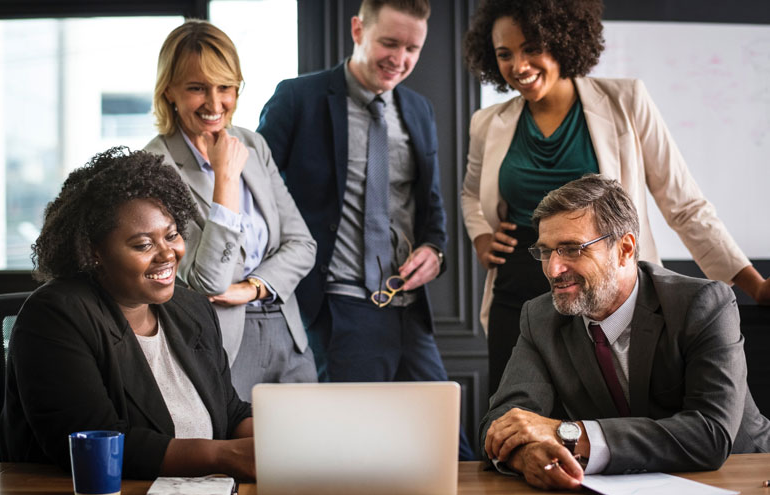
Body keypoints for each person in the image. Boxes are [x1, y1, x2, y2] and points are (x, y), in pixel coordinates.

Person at [460, 0, 770, 398]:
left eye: (532, 47)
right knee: (514, 413)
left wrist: (754, 285)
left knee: (607, 415)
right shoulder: (487, 123)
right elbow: (471, 193)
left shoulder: (626, 102)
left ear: (563, 40)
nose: (519, 65)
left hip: (604, 283)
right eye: (505, 54)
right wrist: (481, 236)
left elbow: (684, 204)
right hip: (518, 283)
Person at [259, 0, 473, 460]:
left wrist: (436, 250)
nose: (400, 59)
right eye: (389, 43)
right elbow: (257, 197)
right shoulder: (297, 99)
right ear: (358, 30)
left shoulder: (418, 109)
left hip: (409, 310)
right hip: (338, 309)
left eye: (412, 48)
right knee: (352, 452)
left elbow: (430, 203)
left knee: (450, 449)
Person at [481, 175, 770, 490]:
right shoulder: (540, 317)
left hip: (742, 481)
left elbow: (710, 433)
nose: (553, 270)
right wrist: (527, 454)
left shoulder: (702, 304)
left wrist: (570, 434)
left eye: (572, 249)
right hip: (619, 494)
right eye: (546, 252)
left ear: (625, 249)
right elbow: (504, 421)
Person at [0, 148, 255, 481]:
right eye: (142, 244)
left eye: (172, 235)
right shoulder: (55, 316)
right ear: (95, 252)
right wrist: (224, 456)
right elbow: (95, 441)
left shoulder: (191, 309)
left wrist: (280, 436)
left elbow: (230, 412)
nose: (167, 253)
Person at [145, 21, 318, 400]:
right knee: (234, 457)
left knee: (309, 454)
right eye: (197, 88)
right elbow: (208, 281)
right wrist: (225, 180)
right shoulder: (154, 165)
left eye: (225, 87)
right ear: (170, 91)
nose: (214, 102)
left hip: (286, 332)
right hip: (219, 341)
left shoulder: (252, 145)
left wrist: (253, 287)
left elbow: (302, 244)